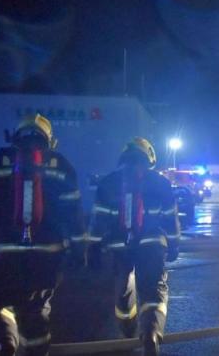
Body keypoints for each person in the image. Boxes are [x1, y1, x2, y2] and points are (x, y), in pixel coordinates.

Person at [0, 114, 85, 356]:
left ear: (16, 136)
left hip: (2, 257)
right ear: (49, 140)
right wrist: (78, 251)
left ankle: (4, 343)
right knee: (37, 311)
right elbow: (74, 216)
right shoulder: (61, 166)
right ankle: (36, 348)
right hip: (46, 259)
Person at [88, 137, 180, 356]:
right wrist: (174, 245)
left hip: (119, 247)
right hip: (152, 246)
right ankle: (151, 333)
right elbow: (170, 218)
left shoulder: (108, 183)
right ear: (149, 157)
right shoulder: (160, 182)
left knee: (123, 291)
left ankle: (128, 332)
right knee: (153, 292)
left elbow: (98, 220)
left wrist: (93, 248)